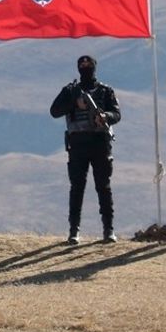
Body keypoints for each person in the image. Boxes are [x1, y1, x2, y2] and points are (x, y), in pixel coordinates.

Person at [49, 55, 121, 244]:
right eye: (82, 65)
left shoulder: (105, 91)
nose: (85, 68)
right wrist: (74, 104)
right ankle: (74, 231)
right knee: (77, 188)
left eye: (88, 65)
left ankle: (108, 229)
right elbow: (54, 111)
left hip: (99, 142)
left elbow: (117, 113)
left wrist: (105, 116)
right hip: (78, 144)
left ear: (94, 68)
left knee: (103, 187)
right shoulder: (71, 91)